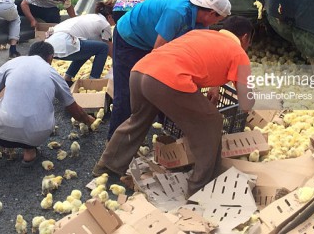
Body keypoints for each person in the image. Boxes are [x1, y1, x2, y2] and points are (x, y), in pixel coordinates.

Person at [93, 16, 254, 196]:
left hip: (141, 71)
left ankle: (107, 167)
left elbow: (198, 62)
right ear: (245, 38)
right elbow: (246, 103)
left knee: (138, 120)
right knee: (211, 122)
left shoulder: (200, 34)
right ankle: (199, 187)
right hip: (165, 80)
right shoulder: (239, 53)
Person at [0, 41, 95, 178]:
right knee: (31, 114)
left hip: (3, 135)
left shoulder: (14, 62)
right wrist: (89, 121)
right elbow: (75, 111)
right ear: (50, 57)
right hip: (38, 136)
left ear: (30, 53)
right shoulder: (55, 75)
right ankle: (30, 153)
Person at [107, 0, 231, 139]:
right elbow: (158, 52)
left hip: (152, 40)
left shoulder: (202, 25)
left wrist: (214, 85)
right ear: (211, 13)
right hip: (131, 38)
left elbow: (205, 55)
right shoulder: (177, 12)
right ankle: (114, 140)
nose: (216, 24)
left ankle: (165, 128)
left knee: (166, 84)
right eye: (218, 20)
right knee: (127, 91)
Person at [45, 0, 115, 83]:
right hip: (64, 43)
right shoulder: (104, 24)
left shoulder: (92, 17)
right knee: (103, 47)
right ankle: (94, 80)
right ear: (110, 17)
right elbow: (110, 48)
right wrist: (119, 63)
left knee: (89, 48)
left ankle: (68, 78)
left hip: (50, 46)